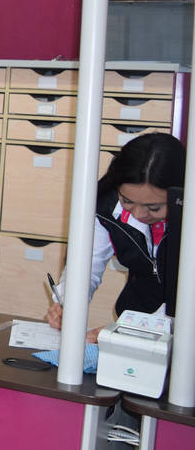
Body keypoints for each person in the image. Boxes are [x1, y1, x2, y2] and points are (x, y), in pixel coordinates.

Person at [47, 132, 185, 338]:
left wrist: (134, 331)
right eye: (127, 201)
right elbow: (87, 264)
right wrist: (67, 302)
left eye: (154, 207)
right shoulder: (105, 205)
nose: (139, 214)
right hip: (136, 311)